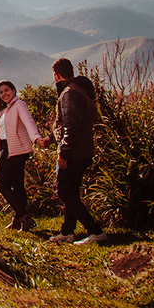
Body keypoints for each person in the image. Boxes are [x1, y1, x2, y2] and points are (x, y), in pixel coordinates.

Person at [36, 58, 107, 245]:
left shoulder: (69, 93)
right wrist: (51, 139)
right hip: (83, 150)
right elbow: (70, 124)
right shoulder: (80, 90)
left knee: (65, 192)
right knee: (71, 192)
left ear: (55, 75)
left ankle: (96, 232)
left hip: (74, 153)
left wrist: (64, 153)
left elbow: (72, 127)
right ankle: (67, 232)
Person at [0, 80, 43, 231]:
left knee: (3, 185)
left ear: (13, 90)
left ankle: (24, 216)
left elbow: (28, 121)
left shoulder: (19, 105)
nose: (4, 94)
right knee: (18, 186)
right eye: (0, 92)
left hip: (17, 150)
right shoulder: (5, 109)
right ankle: (19, 221)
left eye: (6, 90)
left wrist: (36, 138)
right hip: (8, 148)